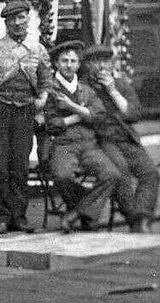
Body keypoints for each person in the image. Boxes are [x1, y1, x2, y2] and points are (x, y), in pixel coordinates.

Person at [0, 0, 51, 234]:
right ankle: (0, 217)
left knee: (20, 166)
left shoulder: (37, 49)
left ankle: (19, 216)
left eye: (22, 17)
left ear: (28, 19)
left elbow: (46, 81)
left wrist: (42, 99)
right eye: (12, 19)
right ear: (6, 22)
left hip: (24, 112)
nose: (17, 23)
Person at [44, 40, 130, 233]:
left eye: (73, 61)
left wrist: (72, 109)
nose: (69, 65)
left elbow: (98, 116)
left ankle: (75, 213)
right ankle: (86, 211)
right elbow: (51, 124)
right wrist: (80, 115)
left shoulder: (86, 89)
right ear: (56, 63)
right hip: (64, 144)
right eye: (64, 60)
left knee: (112, 174)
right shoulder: (50, 90)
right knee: (62, 176)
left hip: (89, 144)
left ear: (78, 64)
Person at [84, 42, 159, 232]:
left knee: (150, 172)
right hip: (101, 141)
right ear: (88, 65)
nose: (102, 67)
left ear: (112, 64)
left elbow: (134, 114)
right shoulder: (84, 87)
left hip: (126, 139)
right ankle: (133, 218)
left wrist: (112, 91)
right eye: (97, 62)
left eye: (106, 62)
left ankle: (141, 216)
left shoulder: (120, 85)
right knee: (122, 173)